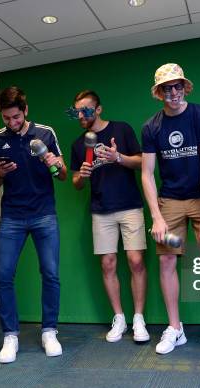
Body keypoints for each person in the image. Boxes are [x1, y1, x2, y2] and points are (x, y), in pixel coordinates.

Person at [141, 63, 200, 358]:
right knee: (166, 261)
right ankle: (175, 328)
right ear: (159, 92)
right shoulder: (151, 127)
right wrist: (157, 216)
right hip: (171, 202)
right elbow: (147, 173)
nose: (173, 92)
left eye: (177, 86)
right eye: (167, 88)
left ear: (184, 87)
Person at [0, 86, 66, 363]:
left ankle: (49, 331)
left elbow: (63, 175)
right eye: (7, 118)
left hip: (44, 214)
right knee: (4, 276)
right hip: (12, 217)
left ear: (25, 110)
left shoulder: (46, 133)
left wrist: (54, 162)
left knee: (51, 273)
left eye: (16, 117)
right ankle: (10, 335)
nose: (12, 123)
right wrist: (0, 173)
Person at [69, 90, 149, 343]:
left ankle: (138, 318)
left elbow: (141, 162)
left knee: (136, 261)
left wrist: (118, 157)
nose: (81, 115)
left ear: (99, 109)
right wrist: (81, 175)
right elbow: (75, 183)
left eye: (86, 110)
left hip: (129, 205)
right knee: (108, 264)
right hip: (100, 209)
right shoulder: (77, 144)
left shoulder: (122, 129)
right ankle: (119, 318)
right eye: (77, 111)